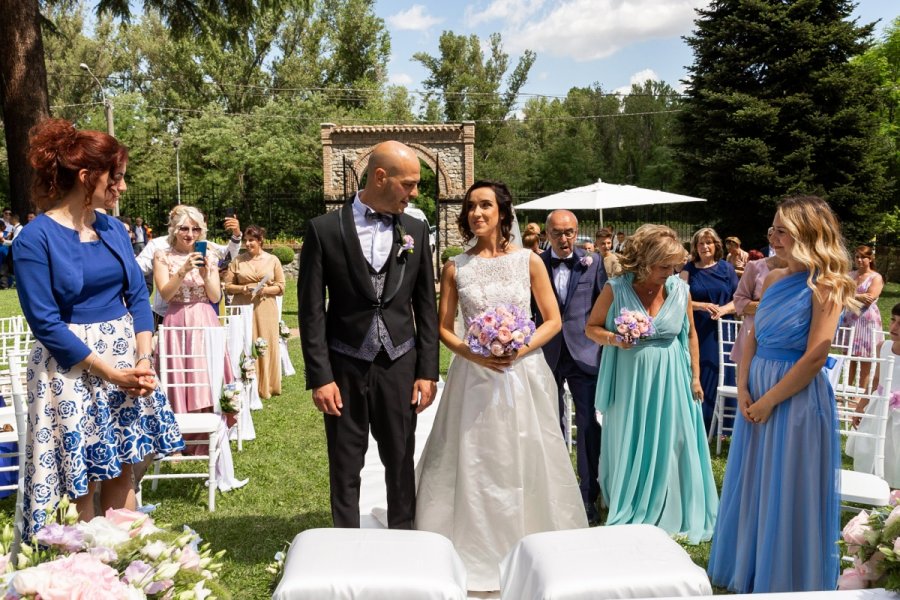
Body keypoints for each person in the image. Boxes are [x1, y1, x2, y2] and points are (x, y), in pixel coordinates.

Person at [13, 118, 183, 534]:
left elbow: (138, 299)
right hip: (72, 369)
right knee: (81, 481)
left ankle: (126, 569)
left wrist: (142, 361)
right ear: (87, 177)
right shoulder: (34, 239)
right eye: (117, 177)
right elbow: (46, 324)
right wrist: (110, 372)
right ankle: (85, 577)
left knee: (123, 467)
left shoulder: (114, 229)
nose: (122, 187)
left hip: (128, 361)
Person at [416, 181, 587, 591]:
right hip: (473, 377)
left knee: (527, 455)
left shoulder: (529, 261)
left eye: (486, 206)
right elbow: (443, 327)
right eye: (472, 207)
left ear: (502, 213)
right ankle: (472, 555)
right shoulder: (456, 266)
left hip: (522, 373)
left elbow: (552, 320)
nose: (477, 213)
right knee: (474, 459)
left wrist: (517, 347)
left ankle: (530, 550)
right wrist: (474, 353)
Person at [708, 195, 857, 593]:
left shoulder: (826, 285)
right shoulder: (771, 278)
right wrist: (742, 389)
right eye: (772, 228)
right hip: (755, 389)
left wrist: (769, 399)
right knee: (755, 481)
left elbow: (815, 357)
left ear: (807, 233)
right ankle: (751, 565)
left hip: (795, 397)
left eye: (782, 229)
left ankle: (786, 575)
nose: (773, 236)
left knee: (789, 485)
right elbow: (751, 337)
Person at [298, 140, 439, 529]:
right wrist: (321, 377)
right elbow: (311, 312)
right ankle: (347, 543)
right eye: (408, 184)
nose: (414, 193)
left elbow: (426, 305)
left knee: (400, 460)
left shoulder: (415, 230)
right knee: (345, 462)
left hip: (400, 363)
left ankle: (404, 541)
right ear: (381, 177)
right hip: (344, 363)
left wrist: (428, 370)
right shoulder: (324, 230)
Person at [586, 223, 717, 542]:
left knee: (675, 441)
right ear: (643, 261)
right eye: (663, 266)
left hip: (673, 376)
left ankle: (675, 507)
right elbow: (591, 328)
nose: (670, 271)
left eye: (674, 265)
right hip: (631, 380)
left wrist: (696, 377)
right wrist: (616, 338)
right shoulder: (616, 288)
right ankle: (633, 503)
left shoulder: (680, 289)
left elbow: (691, 335)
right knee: (634, 437)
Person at [538, 209, 607, 525]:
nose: (564, 239)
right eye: (557, 233)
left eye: (569, 232)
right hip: (546, 354)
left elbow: (601, 310)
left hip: (584, 354)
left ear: (576, 232)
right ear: (546, 234)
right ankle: (552, 493)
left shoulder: (593, 264)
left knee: (589, 427)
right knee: (549, 424)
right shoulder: (535, 263)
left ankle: (587, 496)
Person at [136, 211, 242, 326]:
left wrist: (206, 278)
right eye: (184, 229)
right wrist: (183, 270)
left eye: (196, 229)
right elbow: (166, 296)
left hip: (205, 318)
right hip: (175, 318)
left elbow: (215, 298)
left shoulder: (208, 254)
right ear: (174, 229)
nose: (190, 234)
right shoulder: (162, 255)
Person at [680, 227, 738, 431]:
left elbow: (738, 300)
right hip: (698, 328)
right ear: (695, 247)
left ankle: (724, 424)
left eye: (709, 243)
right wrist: (701, 305)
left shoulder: (727, 269)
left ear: (716, 245)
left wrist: (723, 309)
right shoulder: (688, 269)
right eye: (701, 243)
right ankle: (700, 422)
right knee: (699, 370)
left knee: (722, 371)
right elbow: (678, 299)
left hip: (723, 328)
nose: (705, 247)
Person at [223, 225, 285, 399]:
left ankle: (267, 386)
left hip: (266, 308)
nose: (248, 243)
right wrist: (243, 288)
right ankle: (247, 385)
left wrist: (264, 290)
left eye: (251, 240)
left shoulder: (273, 260)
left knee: (265, 343)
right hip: (243, 306)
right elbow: (227, 287)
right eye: (246, 240)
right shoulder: (238, 261)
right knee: (245, 343)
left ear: (260, 241)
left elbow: (281, 287)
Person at [848, 303, 900, 487]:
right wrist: (861, 405)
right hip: (880, 404)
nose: (893, 327)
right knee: (871, 446)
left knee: (896, 450)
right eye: (893, 320)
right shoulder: (883, 347)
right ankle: (874, 483)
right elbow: (877, 378)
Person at [731, 252, 786, 366]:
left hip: (787, 342)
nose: (776, 238)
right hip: (753, 338)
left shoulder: (805, 270)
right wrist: (770, 306)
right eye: (773, 233)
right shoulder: (755, 266)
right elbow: (739, 302)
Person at [840, 244, 884, 386]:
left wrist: (850, 295)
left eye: (863, 257)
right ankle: (846, 391)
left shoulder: (875, 277)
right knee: (849, 357)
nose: (859, 260)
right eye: (857, 257)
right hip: (849, 318)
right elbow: (840, 294)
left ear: (870, 259)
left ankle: (860, 394)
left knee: (865, 358)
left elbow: (870, 299)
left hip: (867, 320)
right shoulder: (850, 275)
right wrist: (858, 296)